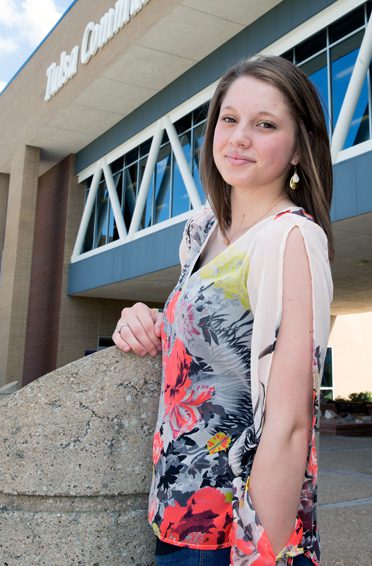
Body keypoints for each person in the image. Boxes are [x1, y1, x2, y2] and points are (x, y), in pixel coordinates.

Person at [113, 56, 334, 566]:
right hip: (173, 517)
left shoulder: (291, 238)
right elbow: (201, 351)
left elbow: (290, 424)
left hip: (234, 535)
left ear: (299, 148)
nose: (238, 138)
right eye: (229, 119)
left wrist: (259, 555)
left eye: (265, 125)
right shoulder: (201, 230)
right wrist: (141, 320)